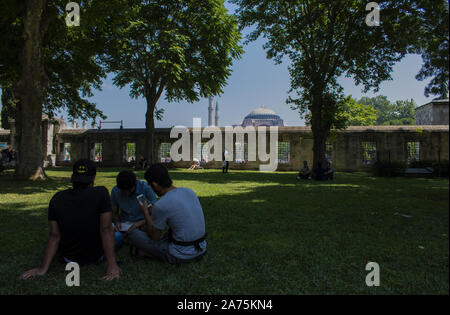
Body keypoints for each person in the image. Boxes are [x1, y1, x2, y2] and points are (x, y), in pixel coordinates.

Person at [20, 159, 121, 281]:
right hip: (95, 256)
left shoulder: (57, 199)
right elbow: (105, 229)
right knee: (118, 235)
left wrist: (43, 269)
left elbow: (54, 235)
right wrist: (112, 265)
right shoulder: (101, 193)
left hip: (68, 258)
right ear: (93, 178)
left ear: (73, 177)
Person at [128, 163, 207, 264]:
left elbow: (154, 238)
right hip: (201, 247)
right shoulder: (189, 191)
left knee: (134, 235)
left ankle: (148, 253)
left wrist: (145, 212)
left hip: (182, 255)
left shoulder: (161, 204)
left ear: (154, 185)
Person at [111, 170, 158, 242]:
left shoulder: (146, 188)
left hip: (142, 222)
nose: (126, 193)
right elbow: (114, 212)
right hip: (124, 222)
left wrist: (137, 224)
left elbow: (155, 214)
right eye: (123, 191)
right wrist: (117, 222)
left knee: (149, 228)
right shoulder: (115, 190)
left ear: (135, 183)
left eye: (129, 190)